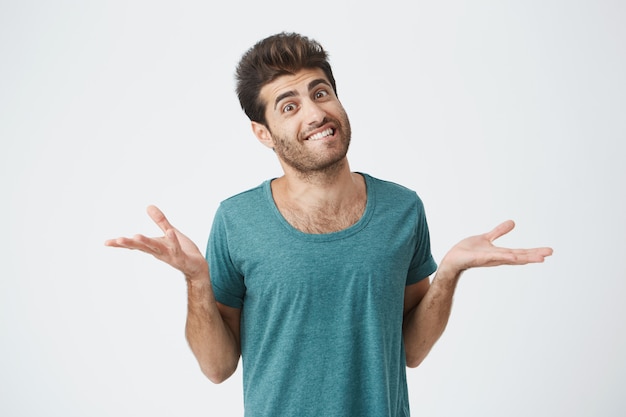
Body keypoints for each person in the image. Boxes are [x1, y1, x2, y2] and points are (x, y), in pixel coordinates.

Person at [105, 32, 553, 417]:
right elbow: (217, 368)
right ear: (263, 133)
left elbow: (411, 351)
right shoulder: (236, 220)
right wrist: (197, 281)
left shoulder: (403, 209)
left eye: (321, 94)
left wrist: (450, 273)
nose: (315, 114)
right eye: (289, 106)